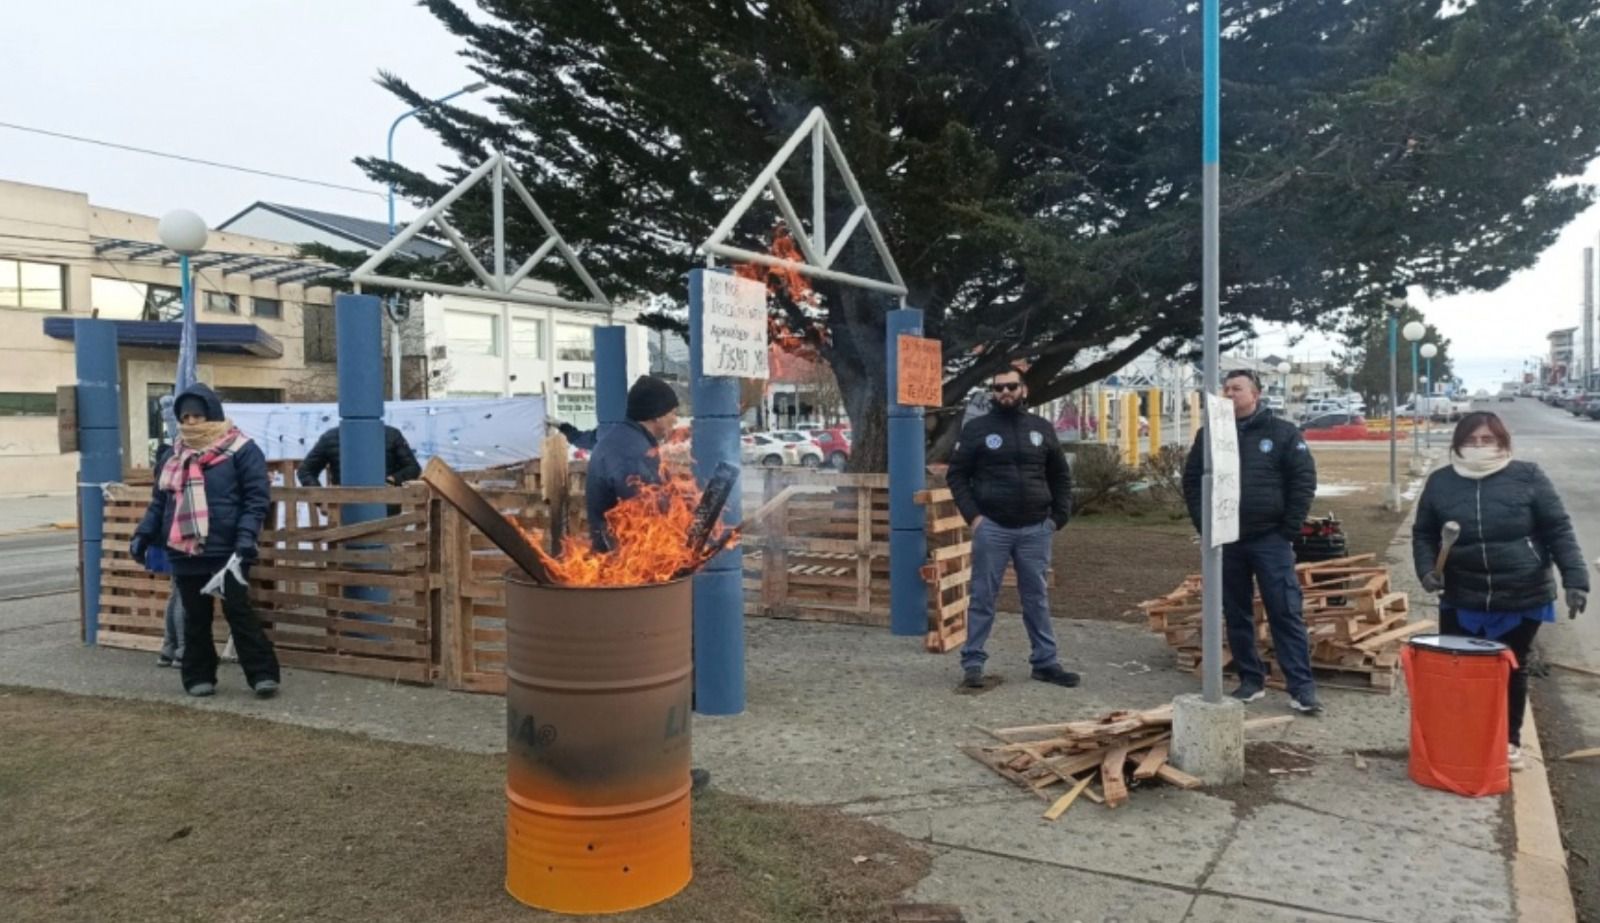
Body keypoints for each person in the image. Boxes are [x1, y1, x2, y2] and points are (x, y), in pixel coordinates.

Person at [1412, 411, 1587, 770]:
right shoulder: (1441, 482)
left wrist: (1575, 580)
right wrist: (1427, 571)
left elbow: (1558, 530)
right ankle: (1461, 735)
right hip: (1462, 593)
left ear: (1502, 442)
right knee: (1458, 670)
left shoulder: (1528, 476)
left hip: (1522, 592)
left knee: (1511, 667)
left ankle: (1507, 740)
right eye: (1470, 441)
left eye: (1487, 440)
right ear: (1457, 444)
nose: (1478, 447)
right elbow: (1424, 534)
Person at [1182, 369, 1323, 715]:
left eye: (1237, 388)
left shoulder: (1282, 433)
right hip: (1227, 540)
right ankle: (1251, 678)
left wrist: (1287, 530)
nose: (1230, 393)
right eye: (1226, 388)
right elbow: (1192, 480)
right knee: (1236, 610)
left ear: (1255, 395)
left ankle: (1301, 687)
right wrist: (1206, 524)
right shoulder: (1211, 435)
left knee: (1284, 610)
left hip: (1270, 539)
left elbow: (1303, 481)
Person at [131, 383, 281, 698]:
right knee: (195, 616)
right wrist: (144, 534)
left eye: (197, 415)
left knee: (238, 613)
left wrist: (245, 538)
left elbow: (256, 498)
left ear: (211, 415)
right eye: (185, 416)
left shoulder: (241, 448)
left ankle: (263, 674)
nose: (191, 422)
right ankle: (199, 676)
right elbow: (160, 501)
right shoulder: (173, 454)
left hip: (228, 550)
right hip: (183, 549)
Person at [946, 365, 1079, 689]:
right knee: (982, 597)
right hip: (992, 527)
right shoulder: (977, 429)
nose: (1005, 392)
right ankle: (973, 663)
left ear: (1023, 390)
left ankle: (1045, 663)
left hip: (1036, 528)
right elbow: (957, 475)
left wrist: (1058, 518)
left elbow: (1060, 475)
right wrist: (974, 518)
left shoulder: (1041, 428)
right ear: (993, 393)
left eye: (1011, 387)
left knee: (1036, 597)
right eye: (998, 388)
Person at [585, 375, 680, 552]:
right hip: (627, 563)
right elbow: (648, 512)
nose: (675, 419)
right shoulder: (634, 453)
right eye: (673, 412)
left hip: (610, 555)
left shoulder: (619, 440)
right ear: (657, 415)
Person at [296, 423, 421, 487]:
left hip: (385, 510)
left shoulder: (391, 435)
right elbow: (306, 470)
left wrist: (392, 480)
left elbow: (413, 468)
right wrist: (322, 501)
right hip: (347, 511)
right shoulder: (331, 437)